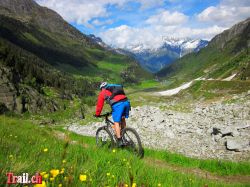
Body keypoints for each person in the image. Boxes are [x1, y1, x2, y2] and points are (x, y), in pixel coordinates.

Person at [95, 82, 130, 147]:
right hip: (126, 102)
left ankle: (119, 140)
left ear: (101, 88)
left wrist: (97, 114)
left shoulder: (103, 92)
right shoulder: (114, 88)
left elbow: (99, 105)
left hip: (118, 105)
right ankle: (123, 134)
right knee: (122, 118)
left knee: (116, 122)